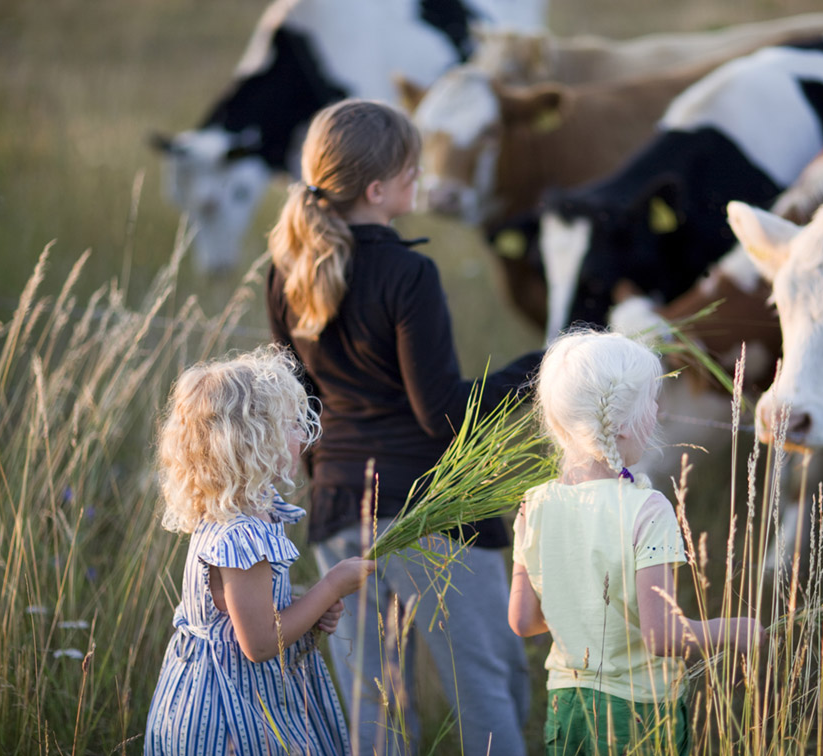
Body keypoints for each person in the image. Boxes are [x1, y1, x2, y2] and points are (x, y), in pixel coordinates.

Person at [265, 98, 540, 756]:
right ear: (378, 188)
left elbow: (304, 409)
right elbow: (443, 414)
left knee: (374, 700)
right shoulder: (409, 274)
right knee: (486, 683)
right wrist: (541, 368)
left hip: (338, 510)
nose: (421, 175)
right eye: (410, 166)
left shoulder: (286, 276)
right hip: (431, 509)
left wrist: (337, 484)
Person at [509, 330, 764, 755]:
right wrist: (731, 630)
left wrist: (584, 612)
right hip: (638, 710)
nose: (659, 410)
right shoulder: (648, 510)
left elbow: (523, 621)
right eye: (650, 400)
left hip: (566, 703)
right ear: (622, 426)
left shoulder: (533, 505)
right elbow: (660, 636)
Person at [144, 346, 376, 756]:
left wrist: (307, 605)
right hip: (228, 714)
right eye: (289, 425)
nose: (302, 434)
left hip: (212, 689)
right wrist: (331, 588)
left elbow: (248, 613)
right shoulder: (241, 536)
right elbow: (261, 643)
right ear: (251, 440)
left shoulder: (242, 511)